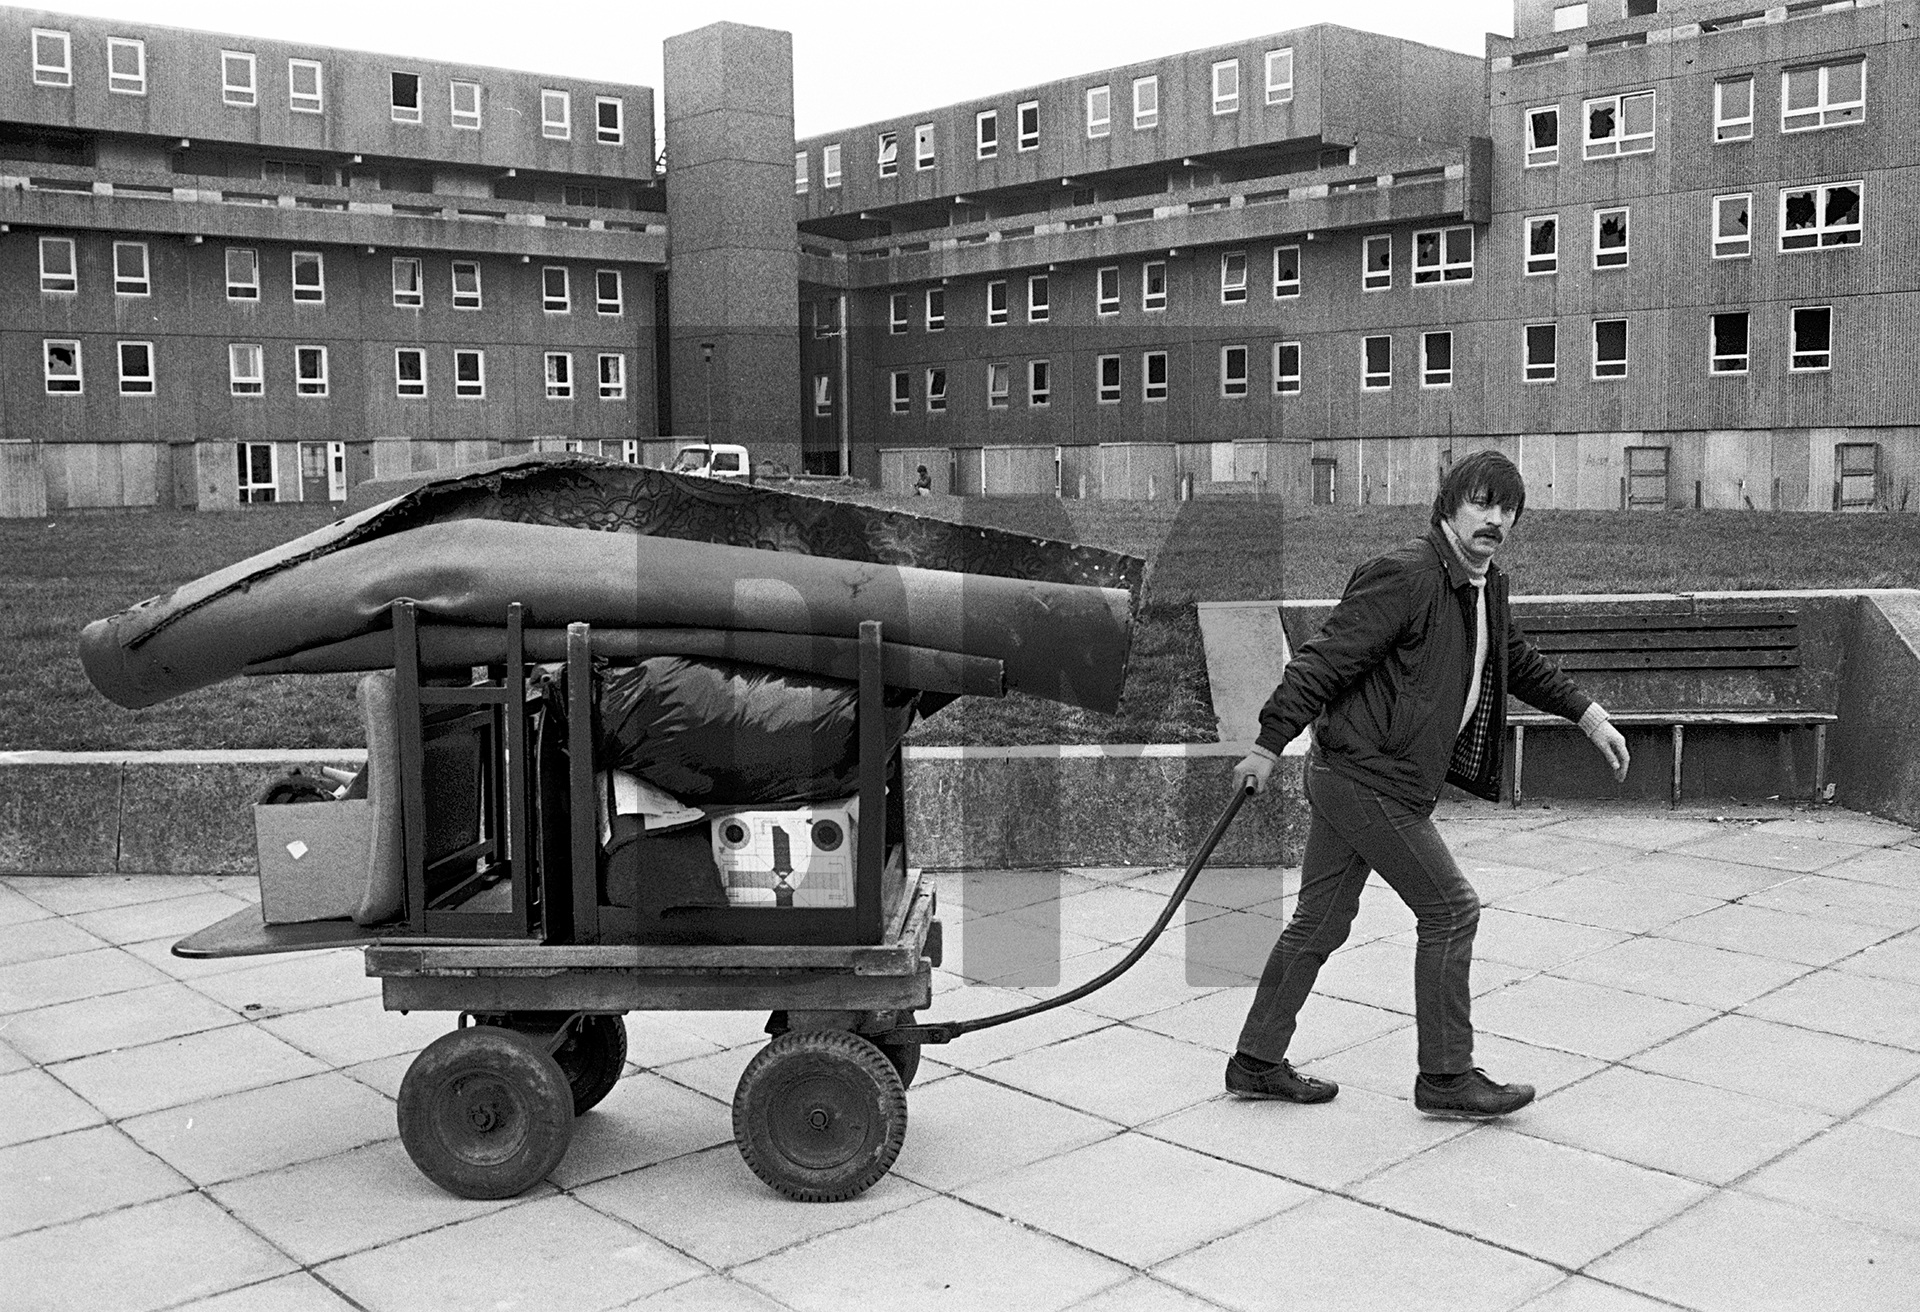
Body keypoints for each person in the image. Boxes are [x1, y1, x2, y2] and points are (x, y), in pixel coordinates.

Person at [1226, 451, 1630, 1119]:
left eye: (1506, 510)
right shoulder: (1407, 575)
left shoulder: (1481, 584)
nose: (1493, 519)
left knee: (1319, 923)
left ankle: (1255, 1060)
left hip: (1375, 776)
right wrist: (1269, 744)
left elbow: (1516, 661)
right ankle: (1445, 1075)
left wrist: (1588, 716)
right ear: (1448, 505)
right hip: (1364, 777)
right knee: (1451, 909)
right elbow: (1323, 660)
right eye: (1481, 504)